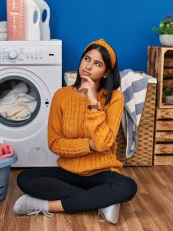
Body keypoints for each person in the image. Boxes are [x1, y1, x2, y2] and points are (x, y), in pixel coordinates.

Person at [13, 39, 137, 224]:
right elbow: (55, 143)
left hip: (102, 173)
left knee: (128, 187)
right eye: (87, 59)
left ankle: (46, 206)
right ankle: (103, 201)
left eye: (97, 64)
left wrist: (94, 103)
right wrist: (89, 144)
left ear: (105, 73)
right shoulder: (61, 96)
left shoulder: (114, 98)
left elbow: (104, 144)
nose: (88, 66)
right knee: (25, 178)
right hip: (68, 173)